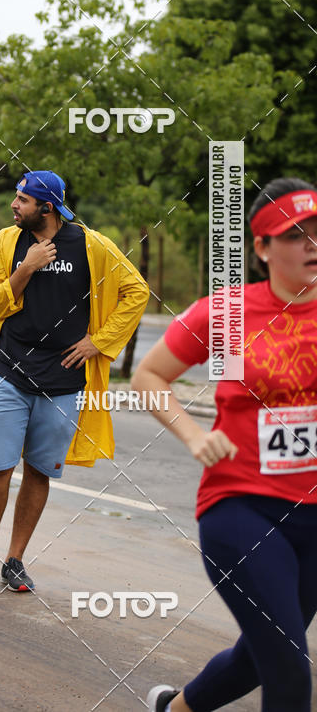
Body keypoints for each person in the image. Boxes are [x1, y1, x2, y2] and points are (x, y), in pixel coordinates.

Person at [133, 177, 317, 712]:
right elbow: (148, 377)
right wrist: (193, 434)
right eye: (295, 234)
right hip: (241, 506)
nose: (311, 244)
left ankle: (174, 707)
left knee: (259, 656)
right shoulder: (227, 313)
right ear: (261, 249)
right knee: (288, 666)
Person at [0, 170, 149, 593]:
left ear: (47, 206)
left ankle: (15, 560)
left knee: (39, 470)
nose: (13, 205)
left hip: (64, 382)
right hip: (8, 370)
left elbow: (137, 291)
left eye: (21, 200)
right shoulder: (7, 242)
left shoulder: (93, 246)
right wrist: (25, 269)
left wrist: (101, 341)